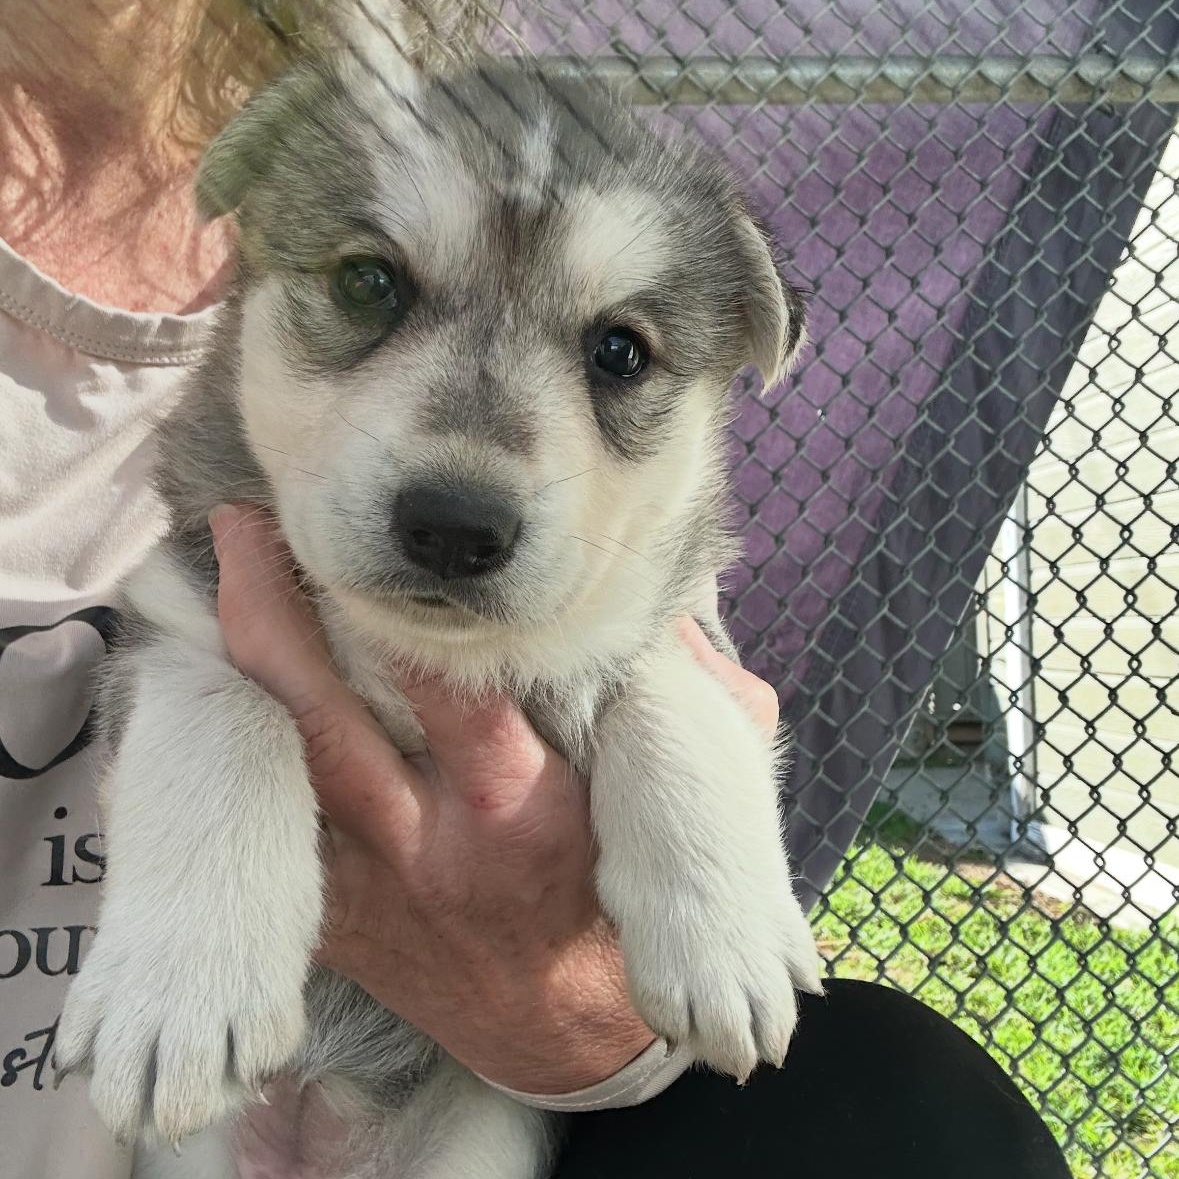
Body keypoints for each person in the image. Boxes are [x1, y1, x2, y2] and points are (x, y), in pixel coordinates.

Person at [0, 1, 1072, 1176]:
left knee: (905, 1105)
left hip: (458, 1121)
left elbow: (658, 709)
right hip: (137, 1134)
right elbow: (179, 678)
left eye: (617, 353)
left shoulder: (627, 572)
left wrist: (677, 784)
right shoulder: (235, 501)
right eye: (373, 287)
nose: (471, 463)